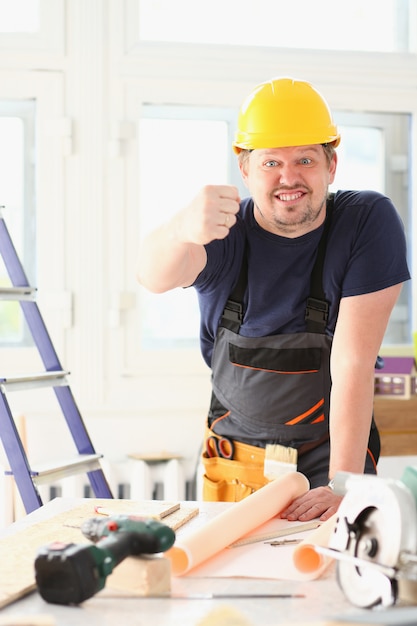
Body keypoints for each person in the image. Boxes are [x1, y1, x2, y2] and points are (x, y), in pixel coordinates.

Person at [136, 77, 410, 521]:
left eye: (305, 159)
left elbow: (352, 363)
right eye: (270, 163)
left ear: (331, 166)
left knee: (336, 581)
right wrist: (180, 228)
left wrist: (342, 484)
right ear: (244, 170)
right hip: (235, 461)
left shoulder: (365, 223)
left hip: (330, 459)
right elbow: (152, 277)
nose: (289, 178)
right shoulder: (222, 231)